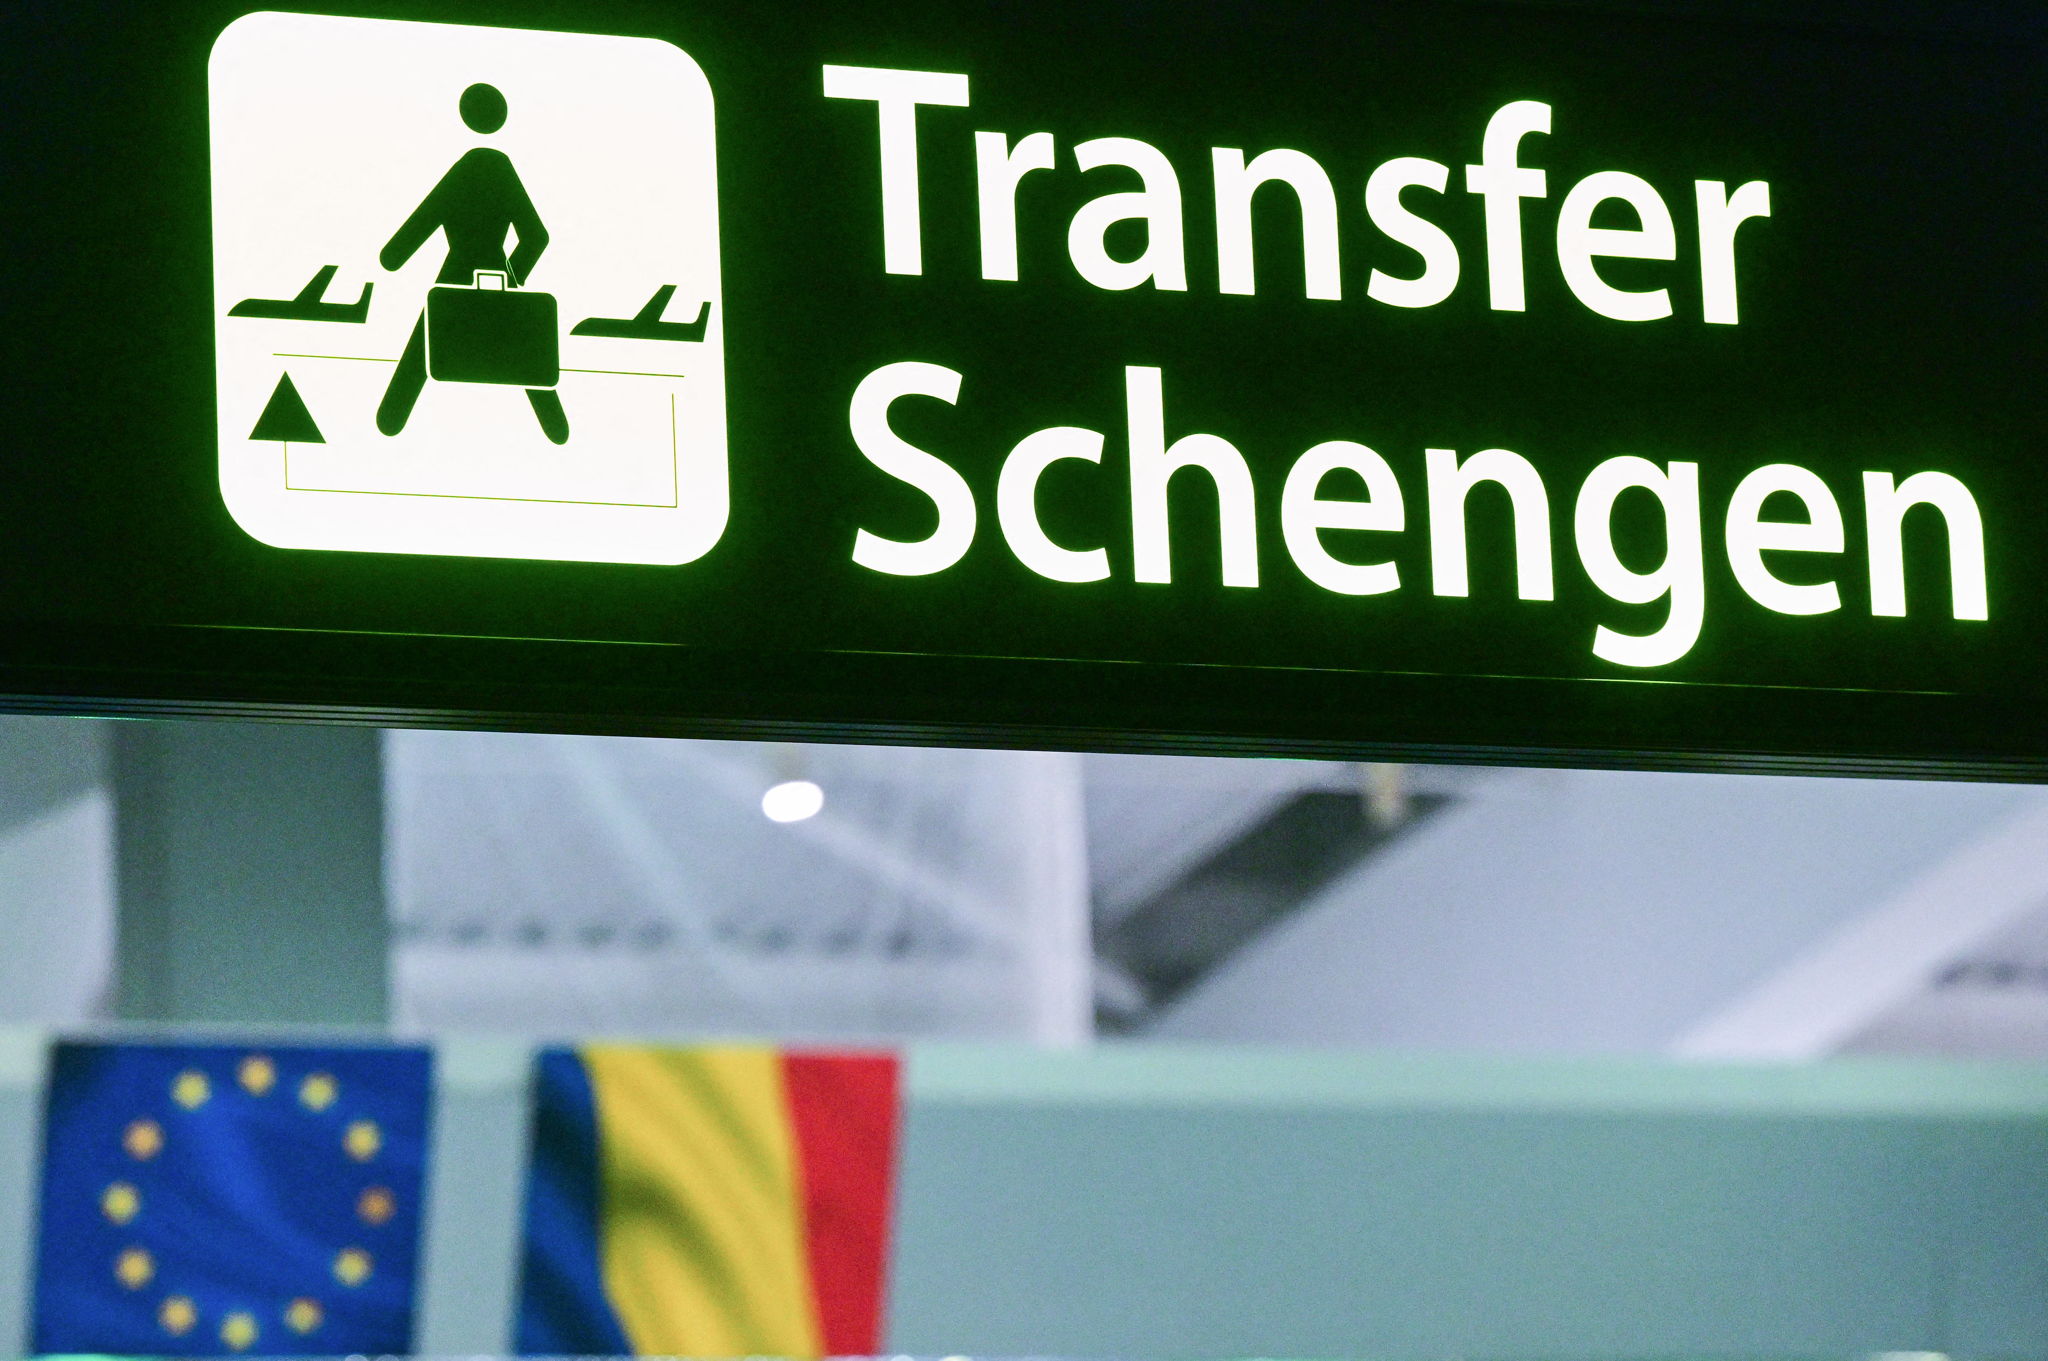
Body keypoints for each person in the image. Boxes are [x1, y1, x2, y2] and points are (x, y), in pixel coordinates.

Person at [376, 83, 568, 444]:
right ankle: (556, 427)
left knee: (425, 343)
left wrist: (395, 256)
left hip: (457, 270)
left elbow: (423, 221)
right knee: (525, 352)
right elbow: (536, 238)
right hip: (497, 272)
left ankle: (392, 416)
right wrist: (511, 279)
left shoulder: (467, 170)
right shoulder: (500, 169)